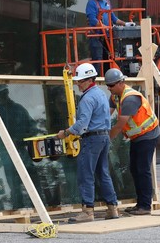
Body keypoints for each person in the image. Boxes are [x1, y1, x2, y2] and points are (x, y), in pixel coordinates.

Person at [56, 63, 119, 223]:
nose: (78, 83)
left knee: (86, 174)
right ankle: (112, 208)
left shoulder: (87, 98)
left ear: (90, 79)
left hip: (92, 139)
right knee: (103, 173)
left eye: (80, 81)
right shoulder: (100, 94)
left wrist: (66, 132)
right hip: (104, 136)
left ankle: (87, 211)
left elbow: (82, 124)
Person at [105, 68, 160, 215]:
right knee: (135, 169)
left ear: (121, 83)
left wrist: (106, 139)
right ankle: (140, 204)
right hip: (137, 137)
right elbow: (106, 114)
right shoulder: (115, 96)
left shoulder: (130, 99)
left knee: (142, 169)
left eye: (111, 85)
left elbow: (119, 125)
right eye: (107, 86)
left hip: (148, 135)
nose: (109, 88)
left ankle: (145, 206)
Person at [0, 84, 39, 210]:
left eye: (1, 94)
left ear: (6, 92)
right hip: (7, 153)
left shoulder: (19, 109)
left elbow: (33, 128)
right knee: (14, 185)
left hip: (23, 152)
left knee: (32, 182)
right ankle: (18, 209)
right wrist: (7, 143)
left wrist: (21, 139)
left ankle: (38, 207)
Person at [86, 0, 134, 74]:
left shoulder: (107, 3)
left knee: (108, 58)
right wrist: (105, 27)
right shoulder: (91, 3)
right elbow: (92, 19)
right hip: (96, 37)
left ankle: (108, 78)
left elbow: (113, 18)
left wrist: (126, 24)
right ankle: (97, 80)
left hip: (107, 37)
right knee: (98, 60)